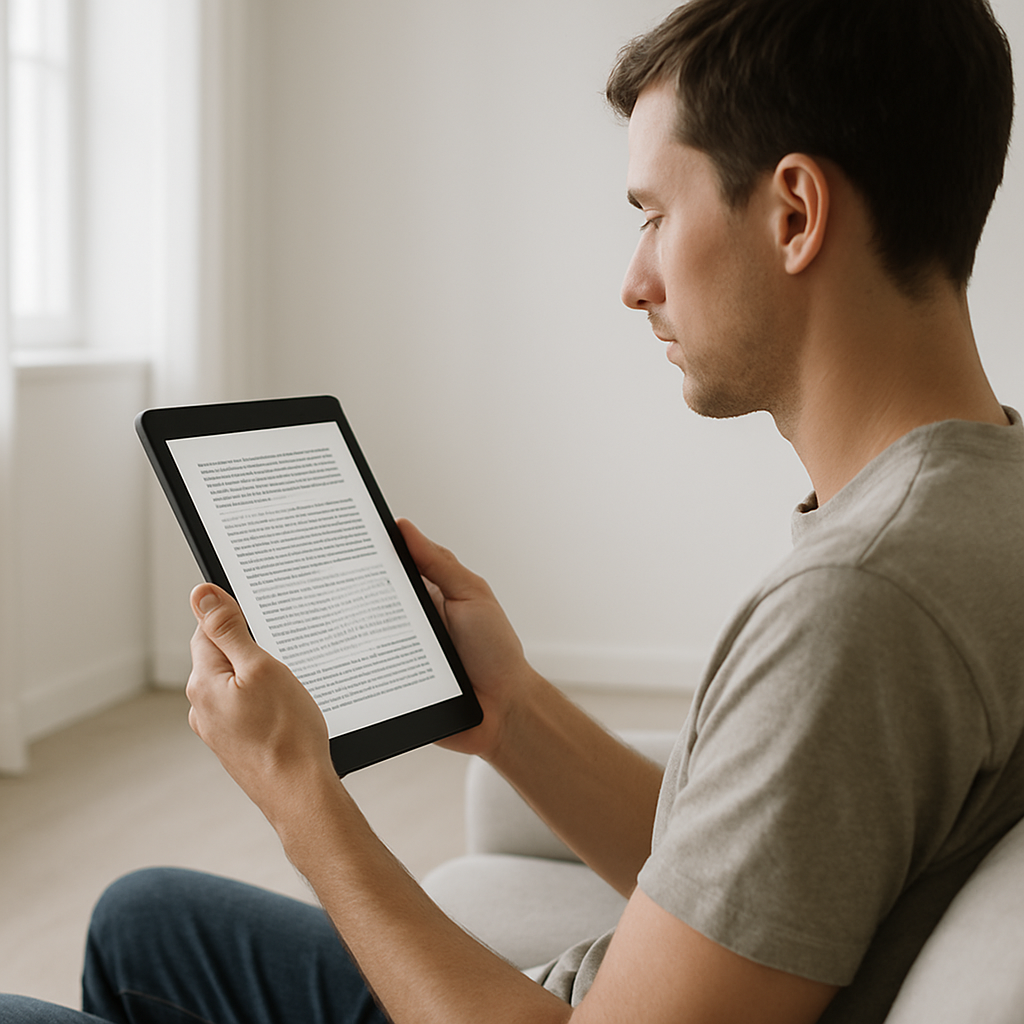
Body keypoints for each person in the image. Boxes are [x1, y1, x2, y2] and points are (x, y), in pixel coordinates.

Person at [3, 0, 1021, 1021]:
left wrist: (298, 794)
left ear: (795, 213)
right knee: (146, 919)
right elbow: (759, 885)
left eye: (654, 216)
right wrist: (510, 711)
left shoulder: (857, 605)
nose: (633, 282)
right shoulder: (981, 498)